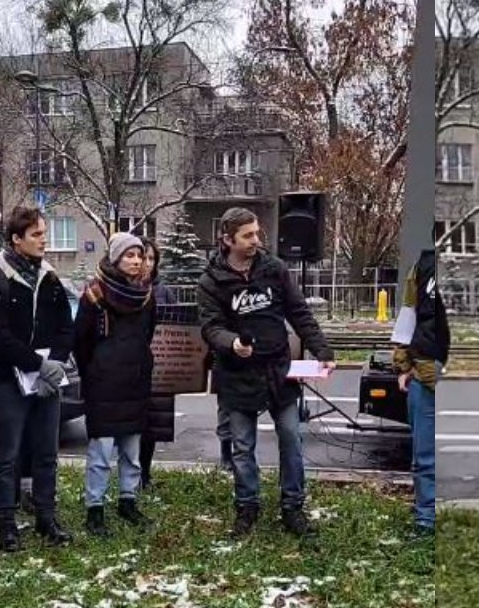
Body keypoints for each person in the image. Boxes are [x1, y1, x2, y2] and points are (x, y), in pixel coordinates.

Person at [198, 208, 336, 538]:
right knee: (242, 446)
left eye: (257, 233)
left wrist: (322, 350)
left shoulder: (274, 269)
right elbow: (210, 327)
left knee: (290, 437)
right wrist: (232, 343)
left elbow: (298, 312)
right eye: (248, 236)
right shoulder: (210, 281)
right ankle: (247, 506)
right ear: (227, 239)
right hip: (237, 374)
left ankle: (293, 507)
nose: (256, 241)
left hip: (278, 369)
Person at [0, 206, 75, 551]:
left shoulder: (50, 277)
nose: (43, 240)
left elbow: (66, 326)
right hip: (9, 380)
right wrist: (36, 363)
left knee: (47, 451)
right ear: (16, 240)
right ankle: (6, 521)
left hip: (48, 381)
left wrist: (57, 363)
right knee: (8, 453)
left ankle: (46, 515)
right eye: (36, 235)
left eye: (44, 233)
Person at [74, 233, 157, 535]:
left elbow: (147, 335)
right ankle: (94, 508)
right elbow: (80, 342)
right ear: (115, 258)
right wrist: (96, 369)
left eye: (139, 255)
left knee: (132, 451)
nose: (136, 262)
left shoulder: (146, 296)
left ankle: (128, 500)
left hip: (134, 381)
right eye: (129, 256)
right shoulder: (94, 295)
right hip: (103, 384)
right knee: (101, 452)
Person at [393, 248, 448, 535]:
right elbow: (408, 314)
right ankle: (426, 520)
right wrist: (403, 365)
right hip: (425, 374)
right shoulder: (423, 264)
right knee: (424, 457)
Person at [138, 237, 176, 489]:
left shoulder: (163, 291)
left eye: (152, 259)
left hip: (159, 368)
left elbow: (177, 329)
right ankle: (131, 477)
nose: (148, 264)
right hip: (131, 368)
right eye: (144, 257)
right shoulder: (124, 289)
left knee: (151, 427)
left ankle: (146, 475)